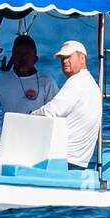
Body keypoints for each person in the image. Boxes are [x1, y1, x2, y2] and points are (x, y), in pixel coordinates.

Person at [31, 39, 101, 170]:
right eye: (62, 58)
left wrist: (28, 117)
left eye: (68, 57)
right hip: (80, 161)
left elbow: (50, 112)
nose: (64, 61)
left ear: (82, 58)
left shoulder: (76, 82)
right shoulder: (92, 84)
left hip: (63, 161)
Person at [0, 34, 58, 117]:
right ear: (13, 58)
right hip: (8, 130)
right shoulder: (4, 80)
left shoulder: (47, 82)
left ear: (35, 59)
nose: (22, 58)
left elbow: (56, 112)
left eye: (26, 53)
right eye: (18, 53)